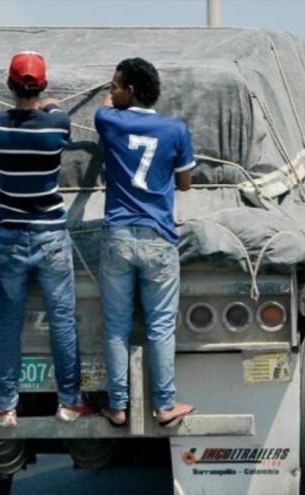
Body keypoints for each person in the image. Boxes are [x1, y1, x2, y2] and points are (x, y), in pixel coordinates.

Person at [0, 52, 93, 428]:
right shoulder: (57, 123)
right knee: (61, 320)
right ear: (43, 85)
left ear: (9, 85)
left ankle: (5, 405)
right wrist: (50, 104)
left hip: (10, 234)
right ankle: (69, 402)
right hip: (50, 234)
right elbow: (54, 112)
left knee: (8, 323)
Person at [95, 57, 196, 427]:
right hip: (158, 237)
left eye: (115, 85)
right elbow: (185, 183)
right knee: (161, 327)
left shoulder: (109, 120)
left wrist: (111, 99)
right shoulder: (176, 129)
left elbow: (104, 106)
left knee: (116, 326)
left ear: (130, 90)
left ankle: (118, 406)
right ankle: (164, 405)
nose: (111, 91)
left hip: (118, 236)